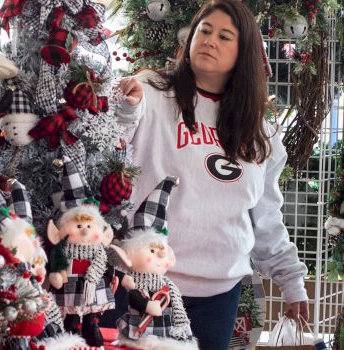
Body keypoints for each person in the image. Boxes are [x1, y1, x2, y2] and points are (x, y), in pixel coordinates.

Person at [115, 0, 309, 349]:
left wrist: (291, 280)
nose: (209, 40)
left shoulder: (260, 129)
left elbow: (264, 216)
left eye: (224, 36)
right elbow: (111, 148)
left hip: (218, 296)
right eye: (203, 30)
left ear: (243, 51)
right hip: (143, 285)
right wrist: (125, 109)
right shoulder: (152, 93)